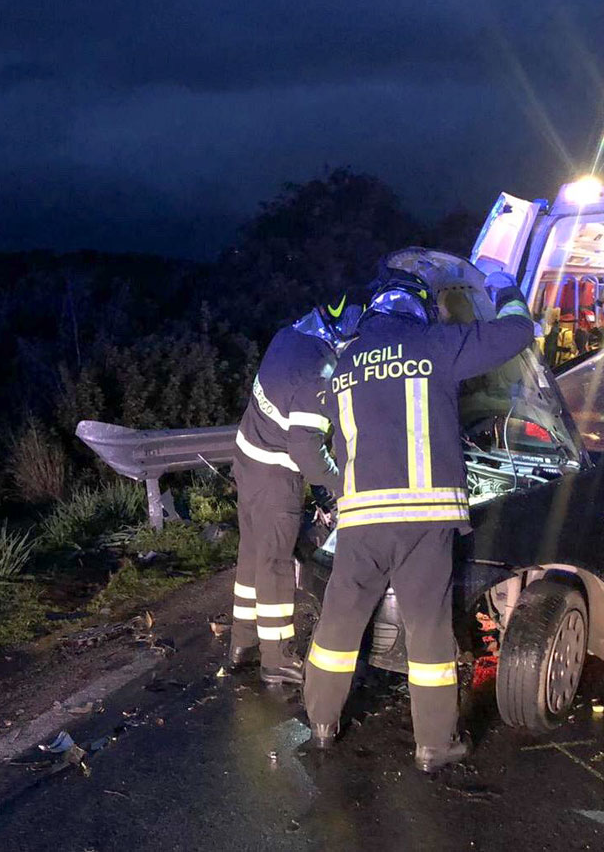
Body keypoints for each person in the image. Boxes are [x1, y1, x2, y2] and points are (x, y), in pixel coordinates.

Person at [303, 249, 534, 771]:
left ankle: (320, 723)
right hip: (423, 520)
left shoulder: (344, 363)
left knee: (339, 622)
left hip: (360, 519)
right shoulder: (434, 344)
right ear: (420, 308)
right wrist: (503, 286)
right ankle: (434, 745)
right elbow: (517, 334)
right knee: (427, 630)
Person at [228, 300, 352, 683]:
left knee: (252, 556)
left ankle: (242, 644)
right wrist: (340, 486)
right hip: (275, 476)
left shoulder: (288, 336)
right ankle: (277, 658)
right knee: (276, 566)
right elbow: (306, 451)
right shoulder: (319, 371)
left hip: (247, 460)